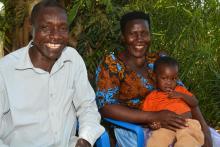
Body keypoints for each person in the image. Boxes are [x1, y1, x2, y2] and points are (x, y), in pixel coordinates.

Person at [95, 11, 218, 147]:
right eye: (133, 33)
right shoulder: (111, 64)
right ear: (123, 37)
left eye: (144, 33)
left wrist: (205, 131)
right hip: (133, 128)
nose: (139, 38)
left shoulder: (160, 61)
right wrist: (155, 116)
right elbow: (106, 108)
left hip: (177, 120)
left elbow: (183, 94)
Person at [0, 0, 104, 147]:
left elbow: (87, 106)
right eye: (45, 27)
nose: (55, 36)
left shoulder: (72, 60)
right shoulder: (6, 70)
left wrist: (86, 138)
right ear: (32, 28)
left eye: (62, 28)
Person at [141, 56, 204, 147]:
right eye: (164, 78)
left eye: (173, 79)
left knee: (188, 141)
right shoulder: (151, 97)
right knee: (156, 140)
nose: (169, 82)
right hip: (166, 127)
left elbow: (195, 102)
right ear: (155, 77)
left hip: (187, 123)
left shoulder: (180, 90)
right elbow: (148, 118)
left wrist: (182, 95)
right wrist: (153, 124)